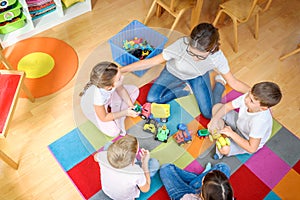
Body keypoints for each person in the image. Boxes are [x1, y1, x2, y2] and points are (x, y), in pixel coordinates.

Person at [121, 23, 249, 119]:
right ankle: (186, 89)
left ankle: (220, 84)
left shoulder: (217, 57)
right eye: (191, 53)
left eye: (199, 56)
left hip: (197, 77)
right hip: (172, 72)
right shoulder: (181, 45)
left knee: (210, 113)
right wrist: (122, 70)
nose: (194, 58)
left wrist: (257, 96)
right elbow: (151, 61)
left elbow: (234, 82)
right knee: (152, 98)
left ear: (212, 48)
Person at [208, 81, 282, 159]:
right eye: (249, 94)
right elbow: (228, 106)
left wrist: (232, 134)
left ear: (263, 108)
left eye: (251, 101)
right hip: (239, 123)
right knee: (217, 108)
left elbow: (252, 148)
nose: (246, 100)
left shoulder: (260, 122)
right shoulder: (248, 98)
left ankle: (224, 134)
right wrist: (214, 120)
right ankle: (224, 132)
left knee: (225, 149)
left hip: (246, 139)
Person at [79, 61, 140, 137]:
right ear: (109, 87)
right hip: (94, 109)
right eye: (119, 79)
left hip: (107, 99)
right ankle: (119, 113)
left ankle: (117, 112)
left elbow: (121, 89)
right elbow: (104, 118)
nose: (122, 78)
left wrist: (131, 105)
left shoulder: (107, 84)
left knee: (135, 90)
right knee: (114, 132)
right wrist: (125, 113)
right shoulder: (97, 97)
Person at [94, 135, 160, 200]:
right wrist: (144, 164)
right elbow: (146, 189)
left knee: (107, 144)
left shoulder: (103, 155)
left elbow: (95, 157)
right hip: (125, 198)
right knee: (155, 163)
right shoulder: (136, 171)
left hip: (107, 190)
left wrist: (107, 154)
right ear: (133, 159)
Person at [159, 162, 233, 200]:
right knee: (223, 167)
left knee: (166, 168)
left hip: (186, 195)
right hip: (202, 193)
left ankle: (195, 183)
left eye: (204, 178)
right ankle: (196, 182)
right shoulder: (225, 196)